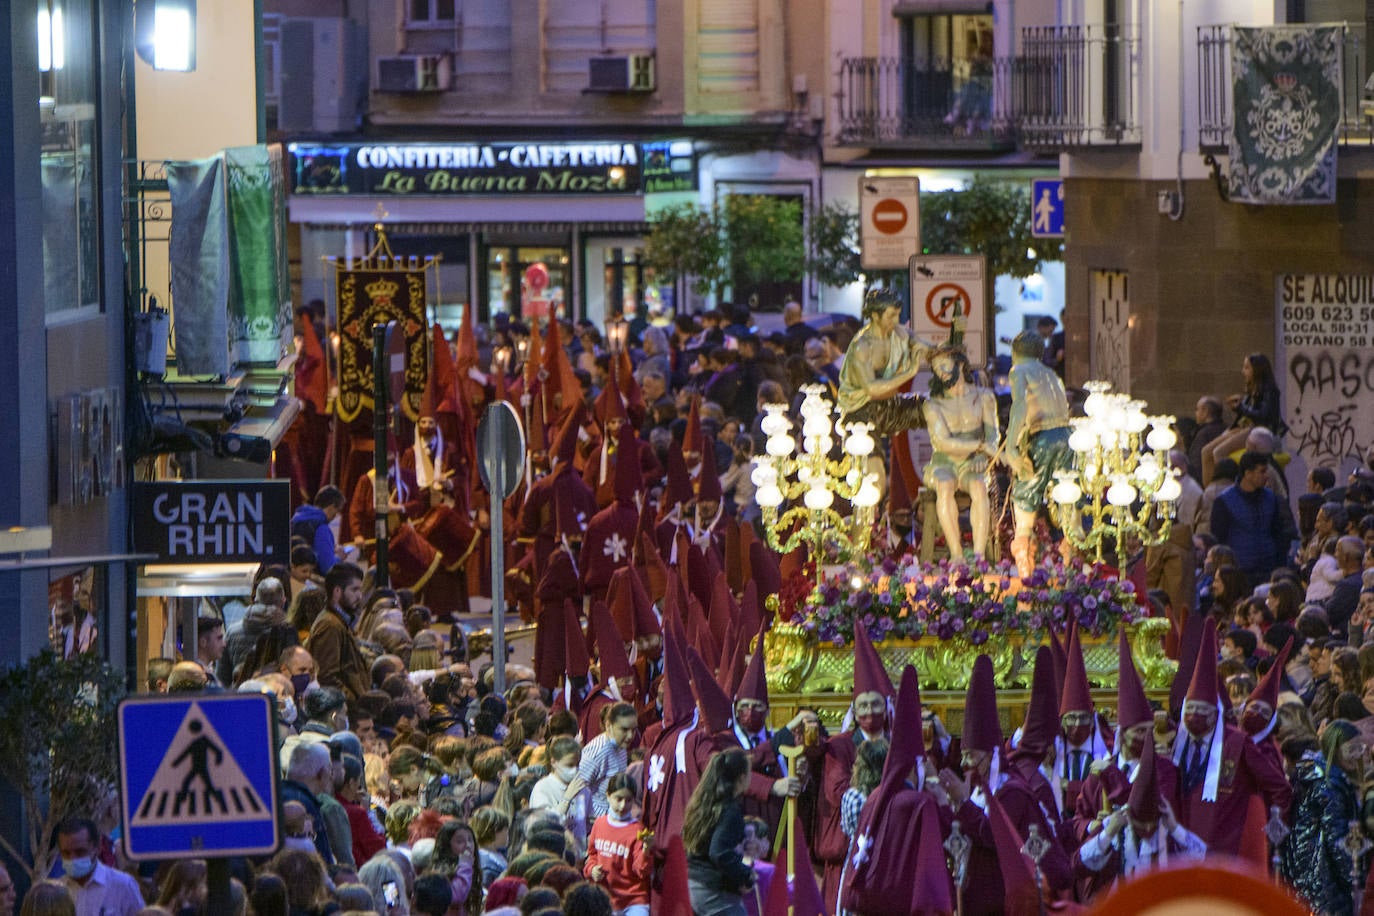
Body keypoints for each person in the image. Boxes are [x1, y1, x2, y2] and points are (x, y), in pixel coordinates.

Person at [1004, 329, 1072, 577]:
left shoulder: (1018, 371)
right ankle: (1071, 565)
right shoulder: (1051, 374)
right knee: (1067, 496)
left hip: (1042, 436)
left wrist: (1011, 445)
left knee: (1026, 495)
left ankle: (1025, 566)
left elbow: (1019, 406)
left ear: (1014, 353)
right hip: (1067, 436)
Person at [921, 344, 999, 559]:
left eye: (945, 365)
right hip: (943, 462)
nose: (942, 372)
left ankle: (978, 554)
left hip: (973, 462)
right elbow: (944, 442)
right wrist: (980, 446)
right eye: (937, 369)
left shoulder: (984, 397)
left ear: (961, 364)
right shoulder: (933, 404)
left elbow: (993, 435)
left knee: (978, 486)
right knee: (945, 485)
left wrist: (984, 455)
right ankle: (956, 553)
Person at [836, 288, 930, 436]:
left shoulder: (899, 333)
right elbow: (872, 389)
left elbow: (928, 349)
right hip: (860, 410)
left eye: (898, 315)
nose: (897, 321)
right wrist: (910, 372)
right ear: (875, 316)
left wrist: (952, 344)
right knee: (870, 456)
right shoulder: (862, 346)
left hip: (892, 404)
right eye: (891, 316)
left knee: (937, 408)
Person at [683, 749, 756, 916]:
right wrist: (746, 875)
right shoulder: (730, 810)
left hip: (691, 885)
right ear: (742, 778)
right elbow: (719, 852)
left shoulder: (702, 803)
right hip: (712, 891)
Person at [1210, 451, 1294, 591]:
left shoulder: (1271, 499)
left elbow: (1278, 533)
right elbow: (1218, 539)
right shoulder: (1224, 501)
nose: (1266, 476)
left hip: (1268, 570)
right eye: (1262, 471)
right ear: (1248, 473)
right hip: (1240, 573)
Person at [1202, 352, 1284, 485]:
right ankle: (1209, 493)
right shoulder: (1251, 388)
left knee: (1219, 453)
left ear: (1257, 370)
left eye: (1247, 368)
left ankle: (1225, 490)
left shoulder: (1270, 391)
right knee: (1206, 452)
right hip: (1243, 427)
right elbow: (1245, 412)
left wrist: (1241, 407)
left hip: (1256, 430)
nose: (1243, 371)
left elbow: (1263, 416)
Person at [583, 774, 652, 916]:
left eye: (628, 800)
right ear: (608, 796)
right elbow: (592, 855)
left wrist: (646, 851)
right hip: (605, 899)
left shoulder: (637, 829)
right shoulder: (599, 824)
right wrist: (592, 870)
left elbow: (641, 871)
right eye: (618, 799)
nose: (623, 805)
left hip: (633, 900)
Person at [306, 562, 370, 702]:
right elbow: (327, 677)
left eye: (360, 590)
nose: (359, 596)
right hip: (345, 713)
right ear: (337, 592)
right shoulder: (330, 625)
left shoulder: (339, 621)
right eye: (354, 590)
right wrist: (354, 702)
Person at [55, 817, 144, 916]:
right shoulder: (57, 890)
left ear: (97, 849)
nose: (73, 858)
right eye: (66, 853)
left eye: (80, 852)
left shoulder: (123, 886)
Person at [578, 703, 638, 820]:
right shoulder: (598, 751)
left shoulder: (621, 746)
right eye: (624, 729)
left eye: (634, 730)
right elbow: (577, 790)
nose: (630, 736)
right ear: (608, 725)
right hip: (593, 823)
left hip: (612, 817)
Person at [291, 486, 348, 575]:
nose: (336, 516)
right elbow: (328, 568)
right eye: (337, 511)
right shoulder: (322, 528)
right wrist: (338, 557)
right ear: (331, 507)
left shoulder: (295, 520)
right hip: (311, 581)